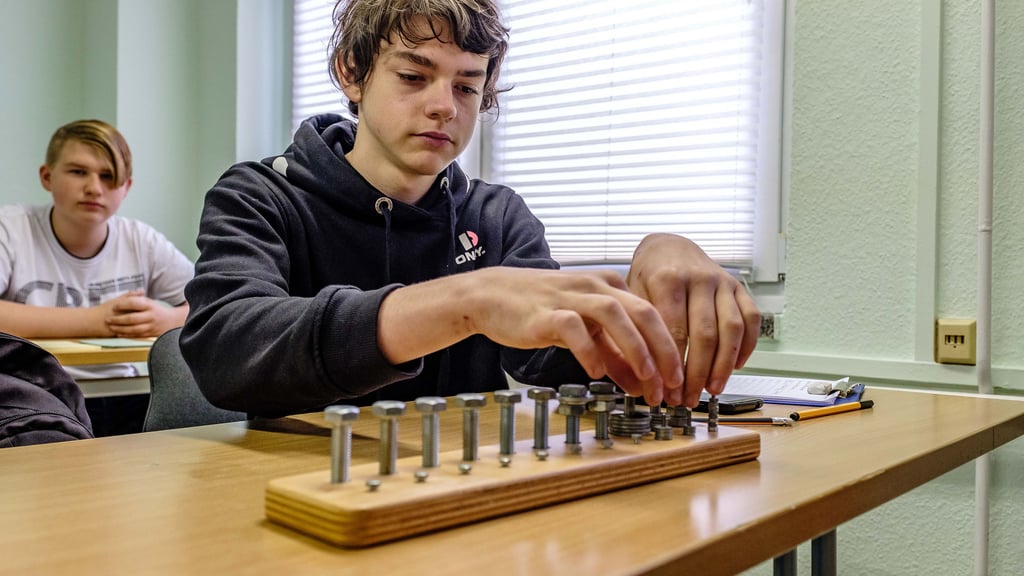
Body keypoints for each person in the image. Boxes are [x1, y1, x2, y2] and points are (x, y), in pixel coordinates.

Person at [181, 0, 760, 418]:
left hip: (456, 493)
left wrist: (651, 283)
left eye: (466, 86)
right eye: (414, 75)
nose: (443, 107)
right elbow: (226, 350)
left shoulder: (498, 216)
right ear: (350, 74)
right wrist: (463, 303)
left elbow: (553, 357)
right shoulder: (258, 195)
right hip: (292, 498)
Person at [0, 119, 194, 434]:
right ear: (47, 177)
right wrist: (98, 320)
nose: (94, 188)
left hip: (124, 391)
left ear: (126, 187)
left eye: (108, 176)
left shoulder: (140, 239)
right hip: (29, 394)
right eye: (78, 172)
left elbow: (216, 302)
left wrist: (168, 320)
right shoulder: (10, 229)